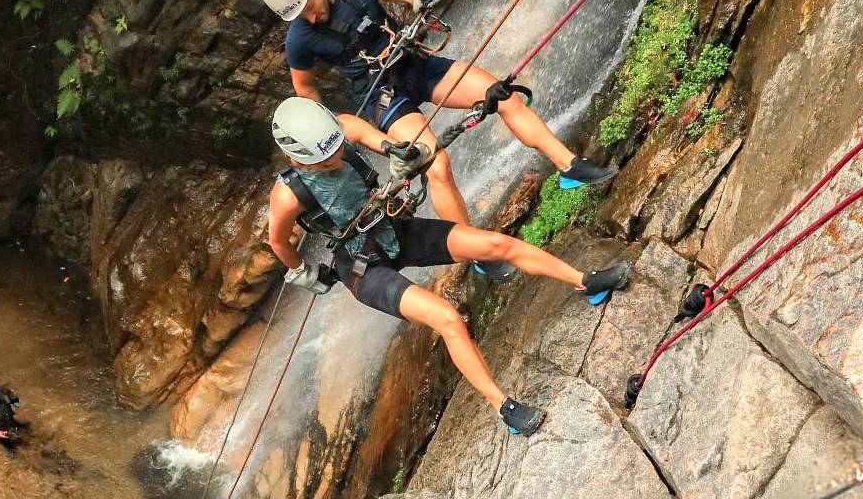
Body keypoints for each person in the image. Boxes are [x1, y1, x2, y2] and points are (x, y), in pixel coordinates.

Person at [267, 98, 630, 437]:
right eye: (327, 158)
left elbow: (368, 135)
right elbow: (279, 242)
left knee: (495, 245)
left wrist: (395, 150)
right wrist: (305, 271)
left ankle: (586, 282)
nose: (339, 156)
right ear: (299, 158)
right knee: (447, 318)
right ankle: (503, 407)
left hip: (394, 228)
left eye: (337, 148)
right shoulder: (287, 195)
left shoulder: (340, 129)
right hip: (362, 268)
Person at [258, 0, 615, 235]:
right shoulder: (299, 39)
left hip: (415, 65)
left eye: (311, 8)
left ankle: (570, 166)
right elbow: (304, 88)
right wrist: (325, 132)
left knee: (504, 97)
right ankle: (476, 251)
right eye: (301, 16)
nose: (312, 18)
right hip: (381, 96)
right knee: (436, 165)